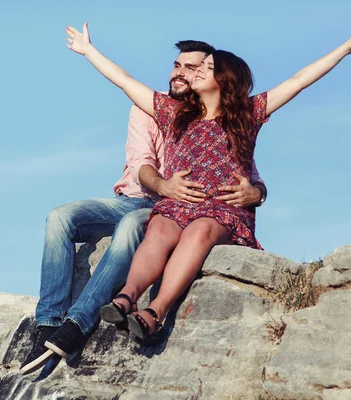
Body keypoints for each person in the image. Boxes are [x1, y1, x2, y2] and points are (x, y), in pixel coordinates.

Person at [64, 17, 351, 340]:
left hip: (222, 210)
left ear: (224, 78)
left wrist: (346, 48)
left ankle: (155, 312)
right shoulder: (174, 113)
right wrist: (88, 51)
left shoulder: (249, 114)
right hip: (180, 203)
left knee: (200, 231)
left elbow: (299, 79)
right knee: (159, 228)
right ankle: (126, 298)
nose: (193, 72)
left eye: (204, 67)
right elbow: (125, 81)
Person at [20, 41, 269, 374]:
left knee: (136, 228)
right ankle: (48, 323)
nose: (183, 73)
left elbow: (246, 170)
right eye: (179, 66)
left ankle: (82, 322)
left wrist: (257, 193)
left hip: (174, 210)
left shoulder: (231, 119)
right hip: (143, 198)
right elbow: (141, 162)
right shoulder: (157, 109)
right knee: (59, 218)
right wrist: (88, 50)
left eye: (194, 68)